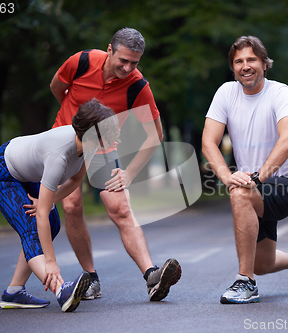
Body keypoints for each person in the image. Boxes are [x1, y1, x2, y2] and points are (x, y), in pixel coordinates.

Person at [49, 27, 181, 301]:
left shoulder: (137, 85)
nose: (128, 67)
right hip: (67, 142)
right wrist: (72, 117)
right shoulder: (81, 61)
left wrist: (130, 173)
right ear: (109, 49)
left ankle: (152, 276)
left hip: (103, 149)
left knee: (120, 208)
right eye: (123, 60)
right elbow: (56, 87)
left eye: (135, 62)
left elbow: (156, 134)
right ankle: (91, 278)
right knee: (71, 206)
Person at [202, 36, 288, 304]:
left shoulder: (280, 92)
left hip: (284, 184)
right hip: (252, 187)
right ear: (233, 68)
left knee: (240, 193)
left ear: (265, 63)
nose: (245, 66)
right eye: (238, 61)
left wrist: (255, 178)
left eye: (251, 59)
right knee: (263, 264)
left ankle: (245, 282)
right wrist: (228, 176)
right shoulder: (226, 93)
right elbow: (208, 142)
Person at [0, 98, 120, 312]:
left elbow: (75, 181)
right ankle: (61, 291)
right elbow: (41, 214)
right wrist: (51, 261)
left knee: (52, 224)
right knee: (32, 227)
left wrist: (46, 202)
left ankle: (14, 292)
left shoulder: (88, 146)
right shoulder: (59, 156)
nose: (115, 139)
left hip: (27, 173)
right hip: (2, 174)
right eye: (110, 133)